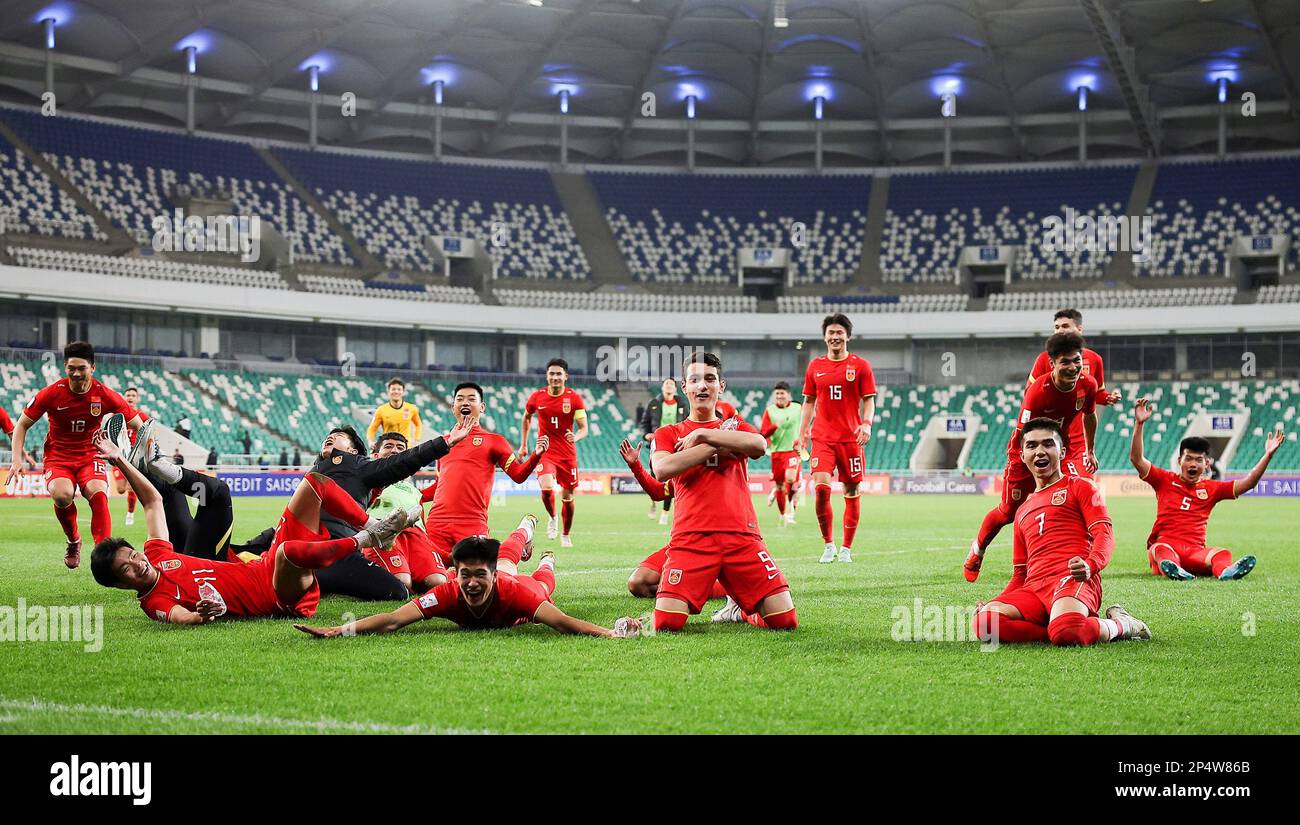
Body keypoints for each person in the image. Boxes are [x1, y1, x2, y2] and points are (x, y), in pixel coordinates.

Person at [89, 429, 412, 625]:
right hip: (278, 595)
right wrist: (202, 613)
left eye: (131, 555)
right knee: (287, 551)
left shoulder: (156, 555)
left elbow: (152, 503)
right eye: (127, 569)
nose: (137, 563)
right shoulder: (155, 600)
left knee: (315, 481)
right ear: (120, 585)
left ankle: (374, 529)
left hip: (263, 566)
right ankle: (365, 538)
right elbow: (182, 617)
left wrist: (120, 460)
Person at [234, 420, 472, 601]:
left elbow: (403, 462)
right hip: (309, 549)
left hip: (338, 551)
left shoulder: (359, 467)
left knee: (398, 591)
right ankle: (301, 574)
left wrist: (445, 442)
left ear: (354, 451)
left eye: (337, 437)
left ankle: (307, 577)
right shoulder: (313, 472)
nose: (330, 438)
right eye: (328, 437)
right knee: (396, 591)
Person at [650, 352, 796, 632]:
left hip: (742, 537)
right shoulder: (669, 432)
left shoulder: (738, 427)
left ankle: (740, 612)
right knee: (667, 623)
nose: (702, 386)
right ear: (685, 387)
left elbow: (759, 445)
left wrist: (705, 435)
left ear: (721, 386)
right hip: (691, 538)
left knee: (784, 621)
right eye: (694, 380)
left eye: (710, 379)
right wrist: (719, 443)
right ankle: (726, 597)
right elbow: (663, 469)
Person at [971, 418, 1150, 646]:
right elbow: (1020, 575)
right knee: (985, 624)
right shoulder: (1022, 511)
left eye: (1048, 444)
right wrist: (994, 603)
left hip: (1072, 579)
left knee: (1068, 633)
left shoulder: (1081, 487)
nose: (1039, 451)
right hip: (1034, 590)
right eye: (1032, 446)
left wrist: (1090, 565)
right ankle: (1056, 625)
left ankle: (1122, 624)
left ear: (1062, 451)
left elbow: (1104, 534)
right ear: (1023, 455)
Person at [294, 528, 641, 638]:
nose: (471, 583)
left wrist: (612, 635)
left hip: (522, 588)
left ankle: (547, 558)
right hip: (502, 572)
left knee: (542, 583)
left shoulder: (515, 592)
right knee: (507, 558)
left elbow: (565, 623)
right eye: (465, 575)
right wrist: (338, 631)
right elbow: (395, 619)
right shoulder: (446, 592)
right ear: (455, 574)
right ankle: (524, 538)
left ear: (490, 576)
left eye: (479, 575)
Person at [964, 332, 1098, 582]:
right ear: (1052, 363)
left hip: (1057, 451)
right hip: (1024, 452)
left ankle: (1063, 560)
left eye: (1076, 360)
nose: (1073, 367)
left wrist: (1090, 449)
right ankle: (977, 551)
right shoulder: (1039, 392)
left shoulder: (1087, 384)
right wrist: (1022, 461)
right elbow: (1021, 434)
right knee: (1008, 512)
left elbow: (1089, 415)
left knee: (1069, 502)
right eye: (1065, 362)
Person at [7, 341, 144, 568]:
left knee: (99, 494)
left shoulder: (105, 394)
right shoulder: (51, 393)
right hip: (59, 456)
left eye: (82, 368)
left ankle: (104, 555)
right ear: (65, 367)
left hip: (91, 455)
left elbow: (138, 424)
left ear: (93, 367)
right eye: (72, 368)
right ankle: (74, 541)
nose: (76, 373)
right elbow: (21, 425)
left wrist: (142, 452)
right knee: (62, 495)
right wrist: (16, 460)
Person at [1131, 398, 1282, 580]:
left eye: (1198, 459)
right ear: (1180, 461)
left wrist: (1267, 455)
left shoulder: (1212, 488)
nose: (1193, 463)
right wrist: (1139, 424)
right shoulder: (1164, 480)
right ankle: (1174, 569)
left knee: (1222, 554)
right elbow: (1137, 459)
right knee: (1159, 549)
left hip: (1195, 552)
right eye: (1188, 458)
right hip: (1167, 545)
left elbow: (1248, 483)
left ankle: (1225, 572)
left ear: (1207, 464)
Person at [421, 382, 548, 564]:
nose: (465, 402)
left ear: (482, 407)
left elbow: (518, 475)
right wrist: (412, 494)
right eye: (460, 399)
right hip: (437, 525)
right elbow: (439, 486)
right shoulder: (443, 444)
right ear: (453, 407)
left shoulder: (494, 441)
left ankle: (522, 535)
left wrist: (536, 455)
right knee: (430, 579)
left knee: (480, 579)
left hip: (471, 523)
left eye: (471, 399)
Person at [794, 313, 878, 564]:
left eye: (839, 332)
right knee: (821, 490)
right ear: (824, 337)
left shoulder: (861, 366)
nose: (835, 337)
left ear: (848, 336)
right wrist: (802, 433)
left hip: (851, 440)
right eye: (831, 333)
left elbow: (869, 400)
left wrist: (866, 424)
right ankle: (828, 545)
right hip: (823, 438)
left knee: (851, 491)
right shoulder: (815, 367)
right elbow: (808, 402)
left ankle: (846, 549)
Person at [619, 437, 727, 601]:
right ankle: (699, 587)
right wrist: (635, 465)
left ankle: (724, 589)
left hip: (719, 542)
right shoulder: (684, 472)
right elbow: (658, 492)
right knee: (638, 583)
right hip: (685, 543)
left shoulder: (728, 470)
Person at [1025, 309, 1121, 477]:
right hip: (1051, 436)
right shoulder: (1044, 360)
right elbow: (1030, 394)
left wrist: (1107, 398)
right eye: (1057, 327)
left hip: (1078, 440)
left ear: (1079, 329)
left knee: (1085, 486)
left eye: (1065, 326)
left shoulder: (1095, 359)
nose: (1060, 331)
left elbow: (1096, 393)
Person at [363, 431, 448, 593]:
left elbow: (423, 528)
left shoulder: (414, 490)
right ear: (375, 455)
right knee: (401, 582)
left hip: (416, 536)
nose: (395, 450)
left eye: (400, 448)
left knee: (437, 582)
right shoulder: (366, 480)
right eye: (388, 446)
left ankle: (416, 570)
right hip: (383, 531)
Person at [520, 358, 587, 547]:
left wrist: (577, 436)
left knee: (567, 497)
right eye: (552, 373)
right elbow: (526, 418)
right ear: (547, 376)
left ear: (565, 376)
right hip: (546, 451)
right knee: (546, 487)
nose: (555, 377)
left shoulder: (574, 398)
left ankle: (565, 534)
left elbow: (584, 428)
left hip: (567, 454)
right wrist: (524, 445)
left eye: (559, 374)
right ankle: (553, 517)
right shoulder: (537, 397)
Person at [760, 381, 803, 527]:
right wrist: (774, 426)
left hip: (793, 451)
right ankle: (783, 514)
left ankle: (791, 508)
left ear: (788, 395)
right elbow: (763, 433)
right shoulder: (770, 411)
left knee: (790, 479)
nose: (779, 396)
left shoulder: (798, 408)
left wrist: (805, 437)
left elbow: (806, 423)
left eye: (782, 393)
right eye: (777, 393)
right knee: (779, 486)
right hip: (777, 452)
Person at [639, 378, 682, 524]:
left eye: (671, 384)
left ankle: (665, 512)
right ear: (662, 387)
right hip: (658, 444)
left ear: (675, 388)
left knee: (672, 478)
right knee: (656, 478)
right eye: (666, 384)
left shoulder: (682, 404)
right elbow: (644, 424)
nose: (669, 386)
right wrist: (646, 435)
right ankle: (653, 503)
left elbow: (688, 420)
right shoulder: (654, 404)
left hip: (677, 445)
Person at [110, 386, 145, 526]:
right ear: (124, 397)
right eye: (128, 395)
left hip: (134, 457)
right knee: (120, 489)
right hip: (119, 456)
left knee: (131, 487)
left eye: (133, 395)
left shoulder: (142, 416)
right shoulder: (117, 415)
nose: (130, 397)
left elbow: (148, 434)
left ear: (137, 399)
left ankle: (130, 515)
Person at [366, 377, 422, 445]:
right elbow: (372, 429)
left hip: (406, 448)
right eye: (393, 389)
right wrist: (370, 441)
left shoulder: (412, 408)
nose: (396, 391)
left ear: (403, 392)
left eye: (399, 389)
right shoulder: (381, 410)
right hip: (389, 448)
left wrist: (417, 439)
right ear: (388, 391)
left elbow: (418, 424)